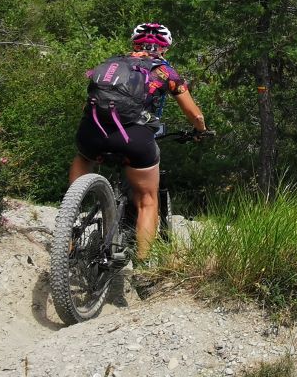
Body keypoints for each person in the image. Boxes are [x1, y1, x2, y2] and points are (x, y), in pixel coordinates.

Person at [69, 22, 207, 262]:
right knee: (147, 200)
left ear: (134, 44)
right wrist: (200, 131)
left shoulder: (109, 64)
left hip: (91, 132)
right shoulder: (165, 72)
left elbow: (92, 100)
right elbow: (195, 115)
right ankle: (143, 264)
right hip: (134, 137)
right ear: (165, 48)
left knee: (83, 159)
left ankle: (68, 222)